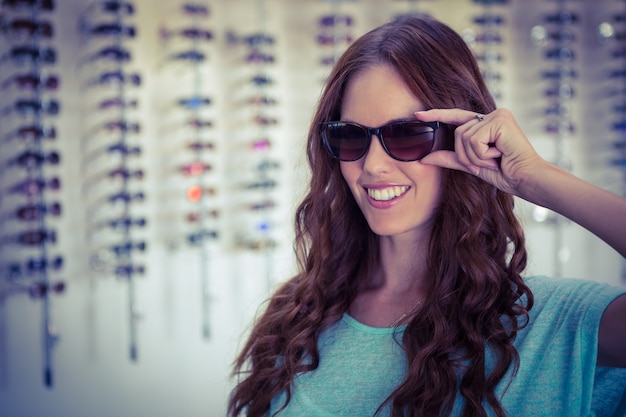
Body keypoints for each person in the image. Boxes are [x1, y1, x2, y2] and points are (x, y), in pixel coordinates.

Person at [227, 15, 626, 417]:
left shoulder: (547, 324)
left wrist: (535, 177)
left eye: (405, 135)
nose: (372, 166)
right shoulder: (298, 314)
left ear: (461, 140)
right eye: (350, 136)